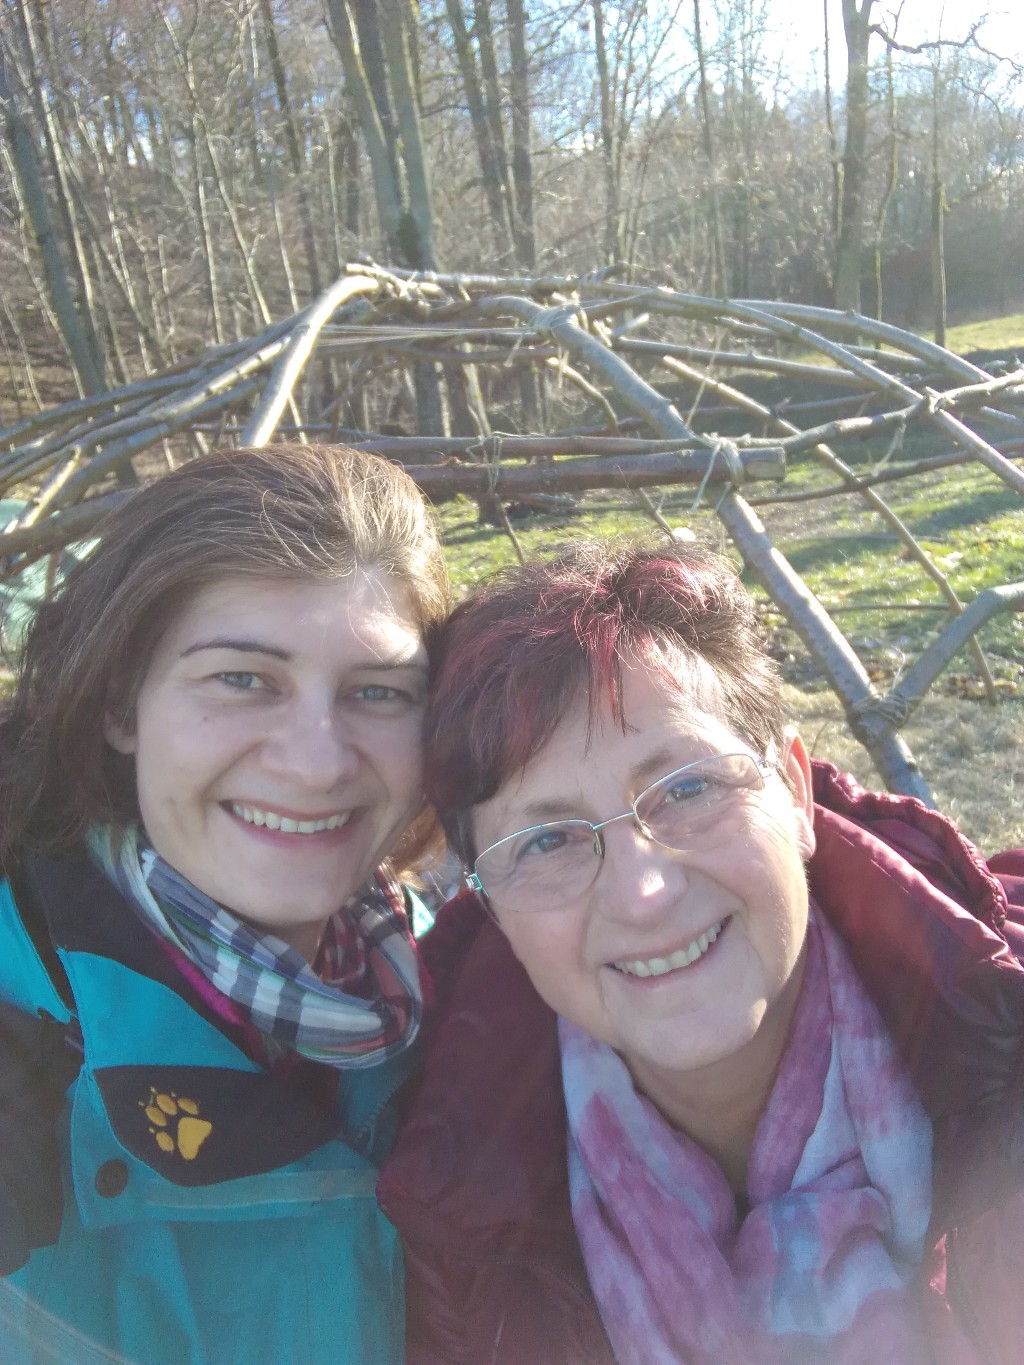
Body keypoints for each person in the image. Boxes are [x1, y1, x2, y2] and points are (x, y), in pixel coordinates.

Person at [379, 540, 1024, 1365]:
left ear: (794, 791)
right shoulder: (442, 1214)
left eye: (687, 788)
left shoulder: (1002, 1040)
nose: (643, 891)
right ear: (489, 904)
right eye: (546, 841)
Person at [0, 444, 450, 1365]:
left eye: (376, 691)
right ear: (122, 704)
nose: (316, 761)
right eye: (243, 678)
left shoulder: (464, 979)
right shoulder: (25, 1021)